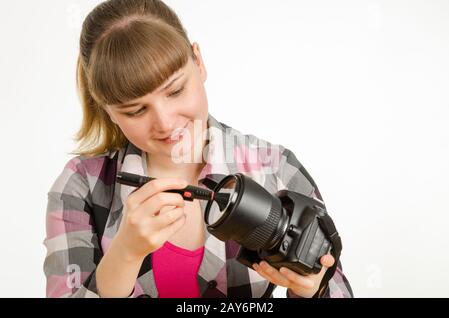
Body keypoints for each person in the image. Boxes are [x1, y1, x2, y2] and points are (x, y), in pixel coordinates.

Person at [43, 0, 353, 298]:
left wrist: (312, 290)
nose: (164, 123)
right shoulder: (82, 185)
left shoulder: (275, 167)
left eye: (175, 90)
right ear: (108, 110)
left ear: (199, 62)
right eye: (135, 110)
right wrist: (125, 253)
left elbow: (335, 286)